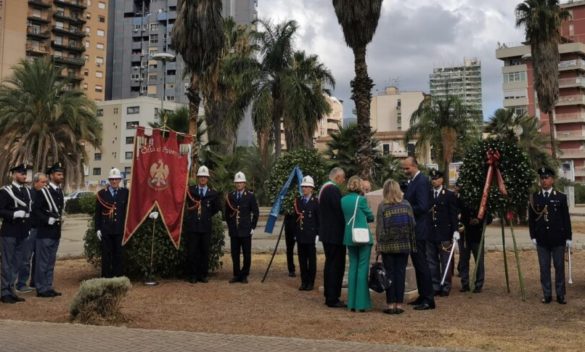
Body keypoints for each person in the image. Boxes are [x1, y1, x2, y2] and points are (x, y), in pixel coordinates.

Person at [529, 167, 572, 304]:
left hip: (558, 239)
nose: (544, 180)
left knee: (559, 267)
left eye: (546, 177)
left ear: (552, 180)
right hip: (542, 239)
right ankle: (547, 294)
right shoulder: (535, 198)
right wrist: (533, 236)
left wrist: (568, 237)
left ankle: (560, 295)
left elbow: (566, 218)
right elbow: (531, 219)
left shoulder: (560, 197)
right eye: (542, 178)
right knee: (544, 267)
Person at [376, 179, 417, 315]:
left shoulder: (383, 206)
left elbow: (380, 229)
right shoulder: (406, 205)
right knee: (401, 273)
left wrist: (379, 245)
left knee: (389, 274)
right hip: (404, 245)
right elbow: (412, 225)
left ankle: (390, 304)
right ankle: (399, 304)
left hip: (388, 246)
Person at [401, 157, 435, 310]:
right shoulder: (414, 181)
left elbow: (423, 206)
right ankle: (422, 295)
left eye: (407, 168)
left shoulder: (421, 181)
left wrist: (405, 208)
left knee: (422, 264)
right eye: (404, 169)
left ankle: (428, 299)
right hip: (414, 228)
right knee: (417, 264)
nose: (405, 171)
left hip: (419, 229)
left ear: (414, 166)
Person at [0, 164, 33, 304]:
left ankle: (11, 289)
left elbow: (29, 211)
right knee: (7, 263)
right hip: (9, 232)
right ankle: (4, 292)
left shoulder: (26, 191)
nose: (24, 176)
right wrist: (13, 214)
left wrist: (29, 227)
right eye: (21, 173)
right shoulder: (6, 191)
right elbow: (0, 210)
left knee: (17, 263)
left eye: (25, 173)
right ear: (13, 174)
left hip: (22, 232)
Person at [342, 176, 375, 312]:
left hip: (349, 236)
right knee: (362, 268)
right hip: (362, 236)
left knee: (353, 268)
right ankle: (361, 303)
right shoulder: (361, 200)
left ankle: (352, 303)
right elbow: (370, 217)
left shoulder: (343, 200)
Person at [33, 162, 65, 298]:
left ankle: (48, 286)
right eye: (58, 174)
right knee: (42, 261)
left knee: (51, 262)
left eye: (62, 174)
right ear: (51, 176)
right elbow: (35, 210)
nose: (61, 177)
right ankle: (41, 288)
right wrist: (47, 219)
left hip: (55, 232)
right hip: (45, 232)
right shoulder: (43, 192)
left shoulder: (59, 191)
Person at [184, 166, 221, 283]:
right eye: (201, 177)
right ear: (197, 178)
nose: (203, 179)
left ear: (207, 179)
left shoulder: (213, 193)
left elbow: (216, 208)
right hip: (193, 226)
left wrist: (206, 215)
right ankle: (193, 275)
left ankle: (203, 275)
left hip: (205, 226)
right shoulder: (190, 190)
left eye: (205, 177)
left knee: (204, 251)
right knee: (192, 252)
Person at [427, 169, 459, 297]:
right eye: (432, 179)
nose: (434, 181)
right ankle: (435, 285)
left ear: (442, 180)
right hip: (431, 233)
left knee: (446, 261)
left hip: (444, 233)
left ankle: (445, 285)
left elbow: (453, 214)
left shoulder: (449, 195)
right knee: (432, 261)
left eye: (436, 178)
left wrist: (455, 230)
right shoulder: (428, 194)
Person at [319, 167, 347, 308]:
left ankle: (330, 295)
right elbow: (339, 211)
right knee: (335, 265)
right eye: (343, 178)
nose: (343, 181)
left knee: (330, 264)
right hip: (334, 235)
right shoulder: (332, 190)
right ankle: (332, 297)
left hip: (328, 234)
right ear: (337, 177)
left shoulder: (325, 189)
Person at [16, 172, 48, 292]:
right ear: (35, 182)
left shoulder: (45, 195)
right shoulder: (29, 194)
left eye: (46, 182)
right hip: (30, 230)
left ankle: (35, 281)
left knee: (39, 258)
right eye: (43, 182)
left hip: (42, 230)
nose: (45, 184)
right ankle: (21, 283)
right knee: (26, 258)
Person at [225, 171, 259, 284]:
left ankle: (244, 275)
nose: (239, 184)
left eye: (241, 183)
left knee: (246, 253)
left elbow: (256, 213)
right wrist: (230, 226)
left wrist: (252, 227)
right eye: (237, 183)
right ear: (235, 184)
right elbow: (227, 213)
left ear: (245, 183)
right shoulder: (231, 196)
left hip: (246, 230)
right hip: (234, 230)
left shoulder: (250, 196)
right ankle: (236, 274)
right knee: (234, 254)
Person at [457, 186, 492, 294]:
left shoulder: (483, 198)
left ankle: (478, 284)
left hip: (477, 235)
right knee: (463, 260)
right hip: (465, 235)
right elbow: (457, 213)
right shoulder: (461, 198)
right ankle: (465, 283)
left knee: (479, 261)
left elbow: (489, 217)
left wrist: (479, 221)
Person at [95, 168, 129, 278]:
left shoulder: (125, 193)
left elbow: (129, 210)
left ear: (120, 180)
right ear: (109, 180)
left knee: (118, 255)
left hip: (119, 230)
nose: (114, 181)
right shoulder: (101, 194)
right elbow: (98, 213)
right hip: (106, 230)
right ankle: (106, 278)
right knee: (106, 255)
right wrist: (97, 229)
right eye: (112, 179)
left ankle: (118, 278)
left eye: (116, 179)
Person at [294, 176, 319, 291]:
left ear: (311, 188)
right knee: (302, 260)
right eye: (303, 186)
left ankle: (310, 282)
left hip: (311, 235)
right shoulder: (298, 201)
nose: (304, 189)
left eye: (307, 187)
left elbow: (319, 219)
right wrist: (295, 233)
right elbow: (296, 218)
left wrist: (318, 234)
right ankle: (304, 281)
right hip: (300, 235)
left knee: (311, 260)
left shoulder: (316, 202)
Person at [283, 213, 297, 277]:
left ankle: (306, 270)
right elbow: (281, 210)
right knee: (289, 249)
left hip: (303, 224)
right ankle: (291, 269)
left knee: (305, 249)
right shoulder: (286, 202)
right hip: (289, 225)